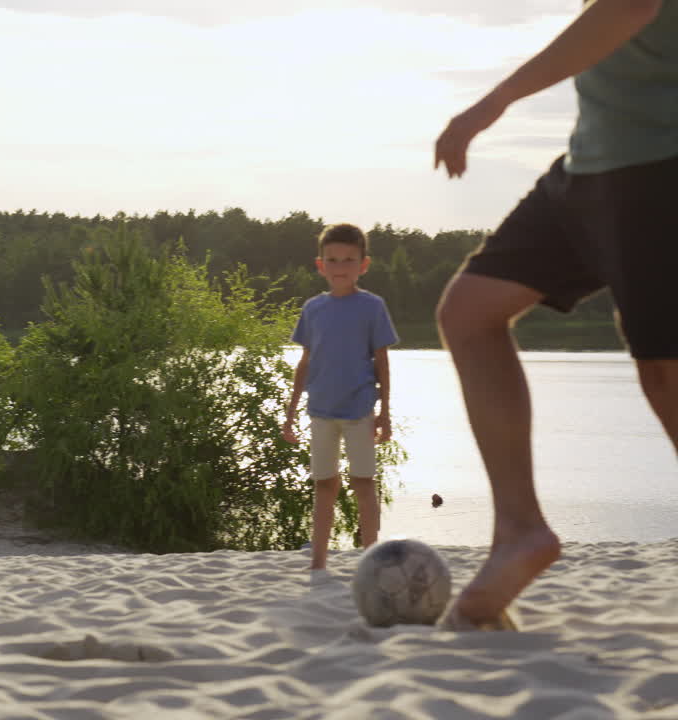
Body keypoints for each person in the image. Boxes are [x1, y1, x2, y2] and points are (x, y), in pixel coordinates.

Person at [433, 0, 678, 630]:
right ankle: (518, 530)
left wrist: (493, 102)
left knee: (665, 372)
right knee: (469, 312)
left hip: (660, 165)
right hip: (589, 166)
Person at [282, 223, 398, 582]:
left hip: (360, 410)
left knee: (363, 483)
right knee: (323, 485)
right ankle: (318, 561)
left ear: (363, 264)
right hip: (320, 411)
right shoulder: (313, 308)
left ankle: (371, 557)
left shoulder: (372, 306)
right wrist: (289, 415)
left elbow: (382, 361)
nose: (340, 266)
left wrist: (385, 413)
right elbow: (305, 362)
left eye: (349, 259)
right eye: (333, 259)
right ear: (321, 265)